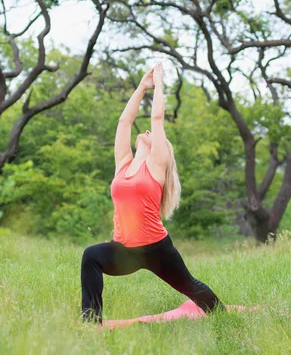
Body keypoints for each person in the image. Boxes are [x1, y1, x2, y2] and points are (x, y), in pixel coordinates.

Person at [80, 62, 225, 325]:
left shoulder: (157, 166)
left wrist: (159, 83)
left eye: (154, 136)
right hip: (124, 250)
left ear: (163, 151)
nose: (147, 133)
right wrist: (141, 87)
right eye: (147, 133)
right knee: (91, 256)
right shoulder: (123, 163)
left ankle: (224, 316)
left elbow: (157, 118)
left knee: (190, 286)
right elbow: (125, 122)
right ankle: (91, 323)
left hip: (156, 248)